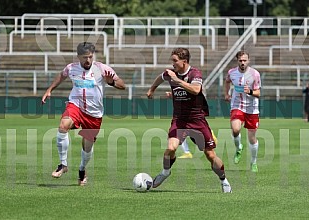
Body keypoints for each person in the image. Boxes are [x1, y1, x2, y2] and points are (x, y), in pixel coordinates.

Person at [147, 47, 231, 193]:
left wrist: (176, 80)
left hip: (197, 120)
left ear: (184, 62)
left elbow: (196, 90)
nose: (172, 64)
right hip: (179, 119)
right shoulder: (170, 73)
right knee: (170, 149)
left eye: (175, 61)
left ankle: (223, 180)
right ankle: (165, 172)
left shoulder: (194, 73)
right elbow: (160, 77)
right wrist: (152, 89)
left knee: (210, 155)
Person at [41, 42, 126, 186]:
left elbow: (123, 85)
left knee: (87, 147)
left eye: (90, 57)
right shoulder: (71, 68)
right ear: (78, 57)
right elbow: (61, 76)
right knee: (63, 126)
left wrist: (111, 82)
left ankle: (82, 169)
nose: (88, 60)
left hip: (94, 114)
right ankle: (63, 164)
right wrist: (50, 89)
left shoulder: (102, 69)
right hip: (76, 106)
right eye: (84, 57)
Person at [224, 51, 261, 173]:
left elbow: (258, 93)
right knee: (235, 129)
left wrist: (249, 91)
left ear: (248, 61)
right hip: (237, 106)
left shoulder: (255, 74)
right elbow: (227, 81)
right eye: (240, 60)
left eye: (245, 60)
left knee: (252, 138)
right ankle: (238, 147)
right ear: (237, 61)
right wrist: (226, 93)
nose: (242, 63)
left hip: (252, 109)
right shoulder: (232, 72)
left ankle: (253, 162)